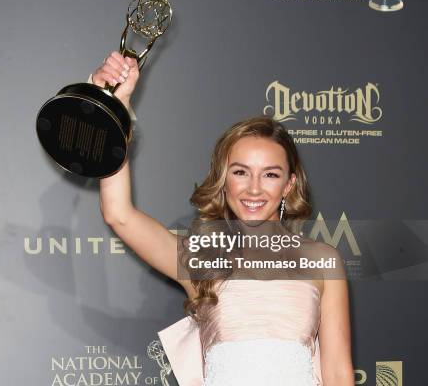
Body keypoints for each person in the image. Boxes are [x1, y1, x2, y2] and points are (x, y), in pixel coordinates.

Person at [92, 51, 354, 386]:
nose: (254, 189)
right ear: (223, 179)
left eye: (271, 175)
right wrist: (113, 106)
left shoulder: (323, 261)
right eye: (241, 172)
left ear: (289, 184)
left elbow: (338, 374)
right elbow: (119, 215)